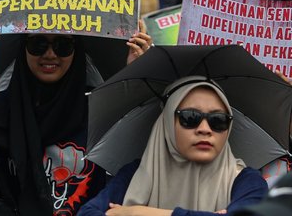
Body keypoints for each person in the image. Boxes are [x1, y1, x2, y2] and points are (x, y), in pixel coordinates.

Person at [0, 22, 152, 214]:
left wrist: (136, 77)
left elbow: (137, 159)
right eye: (37, 44)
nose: (50, 54)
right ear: (23, 48)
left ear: (77, 49)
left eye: (62, 46)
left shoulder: (102, 106)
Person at [78, 76, 268, 215]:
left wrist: (137, 212)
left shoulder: (247, 181)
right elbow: (88, 213)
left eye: (218, 120)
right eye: (190, 118)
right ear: (168, 122)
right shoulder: (135, 173)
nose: (205, 129)